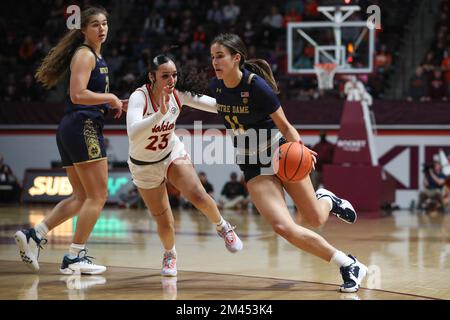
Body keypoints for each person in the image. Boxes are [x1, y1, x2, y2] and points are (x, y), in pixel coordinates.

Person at [209, 33, 367, 292]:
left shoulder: (256, 85)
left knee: (315, 219)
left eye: (220, 56)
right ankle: (348, 264)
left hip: (281, 154)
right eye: (212, 57)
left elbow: (286, 126)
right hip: (253, 166)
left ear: (236, 58)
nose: (214, 61)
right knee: (284, 226)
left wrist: (301, 150)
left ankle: (327, 200)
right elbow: (198, 102)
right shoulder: (215, 87)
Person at [14, 7, 127, 275]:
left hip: (73, 127)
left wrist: (109, 101)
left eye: (105, 24)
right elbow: (77, 94)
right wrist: (110, 99)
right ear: (84, 30)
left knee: (81, 196)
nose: (102, 29)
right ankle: (74, 257)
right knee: (98, 195)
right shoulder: (85, 55)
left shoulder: (95, 56)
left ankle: (35, 234)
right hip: (82, 126)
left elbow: (85, 95)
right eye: (95, 25)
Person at [126, 54, 243, 277]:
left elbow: (217, 106)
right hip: (143, 165)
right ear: (152, 77)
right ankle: (170, 254)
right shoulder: (138, 98)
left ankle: (223, 227)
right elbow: (133, 132)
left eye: (174, 75)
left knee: (198, 195)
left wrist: (241, 107)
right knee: (165, 222)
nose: (171, 80)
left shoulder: (177, 95)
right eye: (165, 76)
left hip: (170, 154)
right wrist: (158, 114)